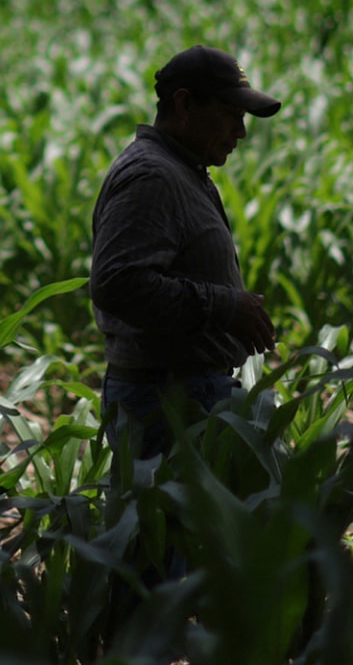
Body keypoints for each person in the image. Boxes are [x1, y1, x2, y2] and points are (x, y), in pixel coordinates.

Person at [89, 45, 283, 460]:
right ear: (185, 104)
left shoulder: (180, 169)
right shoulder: (152, 177)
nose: (241, 132)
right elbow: (117, 283)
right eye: (232, 114)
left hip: (183, 396)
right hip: (167, 403)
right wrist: (223, 305)